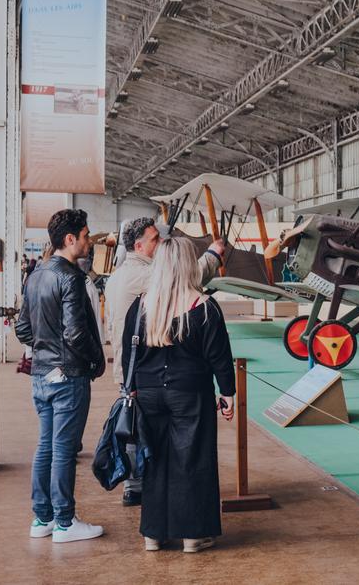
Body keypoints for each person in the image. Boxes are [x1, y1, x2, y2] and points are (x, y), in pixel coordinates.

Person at [122, 237, 235, 553]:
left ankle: (153, 534)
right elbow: (220, 358)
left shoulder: (142, 304)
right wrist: (228, 395)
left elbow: (127, 351)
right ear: (188, 264)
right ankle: (192, 535)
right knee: (193, 460)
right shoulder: (203, 307)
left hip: (147, 394)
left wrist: (130, 386)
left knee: (154, 460)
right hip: (191, 394)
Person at [105, 217, 225, 506]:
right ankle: (138, 485)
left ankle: (138, 482)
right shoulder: (144, 275)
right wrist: (212, 254)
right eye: (154, 239)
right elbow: (186, 277)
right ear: (139, 246)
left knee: (136, 423)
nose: (160, 244)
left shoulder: (120, 274)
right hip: (145, 368)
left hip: (132, 364)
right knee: (140, 427)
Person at [15, 209, 105, 543]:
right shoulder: (70, 277)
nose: (88, 241)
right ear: (70, 239)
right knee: (64, 450)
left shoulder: (36, 274)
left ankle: (43, 520)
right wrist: (97, 359)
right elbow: (75, 334)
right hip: (68, 376)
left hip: (42, 375)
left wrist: (45, 347)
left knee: (46, 446)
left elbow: (24, 327)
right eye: (85, 235)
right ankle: (65, 522)